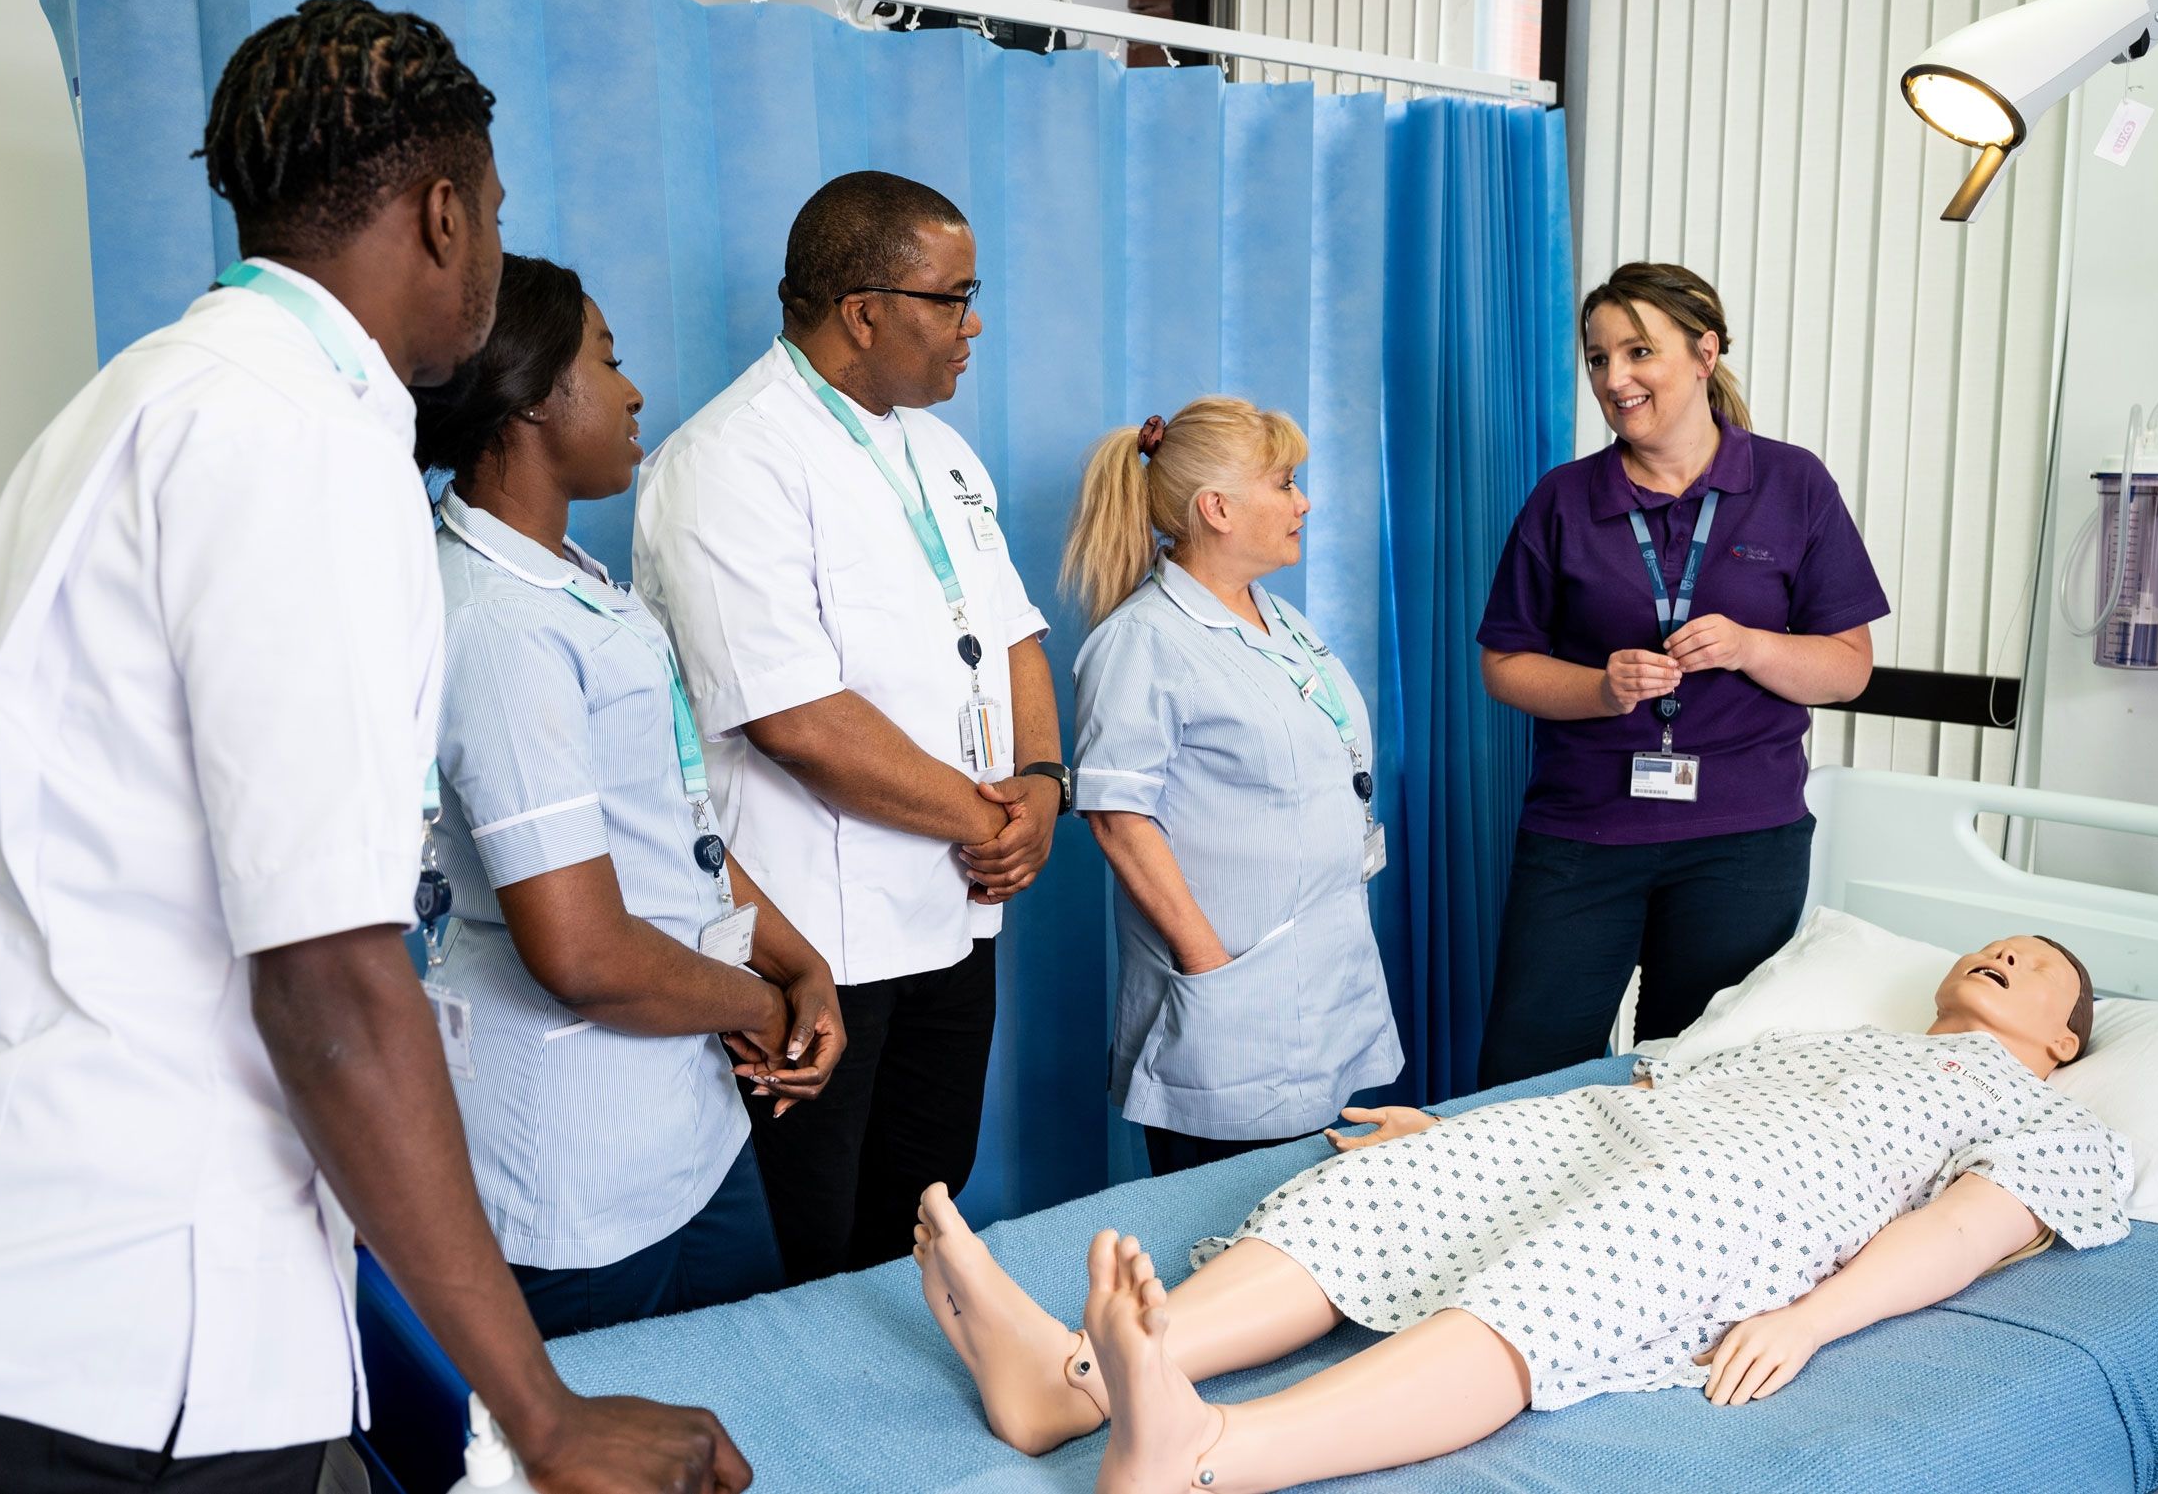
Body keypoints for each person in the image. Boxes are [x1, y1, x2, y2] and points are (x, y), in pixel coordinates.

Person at [0, 0, 747, 1494]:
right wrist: (540, 1407)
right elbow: (328, 982)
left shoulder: (139, 400)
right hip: (105, 1339)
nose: (496, 254)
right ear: (445, 216)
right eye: (496, 216)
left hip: (1, 1287)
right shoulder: (303, 450)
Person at [914, 934, 2126, 1493]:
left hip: (1743, 1193)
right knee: (1391, 1190)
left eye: (2034, 964)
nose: (2002, 954)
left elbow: (1962, 1233)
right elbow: (1637, 1087)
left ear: (2064, 1040)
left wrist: (1813, 1317)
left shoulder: (2049, 1116)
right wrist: (1458, 1138)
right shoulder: (1828, 1035)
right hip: (1609, 1129)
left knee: (1555, 1277)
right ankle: (1073, 1380)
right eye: (1990, 944)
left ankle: (1212, 1456)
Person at [634, 171, 1063, 1282]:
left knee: (923, 1201)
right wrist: (987, 813)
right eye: (952, 297)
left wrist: (1045, 783)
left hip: (954, 911)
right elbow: (796, 720)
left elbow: (1012, 637)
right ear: (864, 310)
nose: (974, 325)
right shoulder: (726, 460)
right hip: (812, 936)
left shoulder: (941, 451)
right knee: (809, 1240)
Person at [411, 255, 847, 1338]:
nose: (634, 390)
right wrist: (762, 1007)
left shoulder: (568, 583)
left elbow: (673, 830)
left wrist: (799, 962)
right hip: (578, 1173)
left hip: (687, 1137)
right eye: (606, 360)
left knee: (757, 1412)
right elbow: (580, 953)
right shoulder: (495, 624)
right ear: (524, 395)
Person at [1475, 262, 1889, 1088]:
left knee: (1696, 1084)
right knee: (1521, 1078)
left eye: (1637, 352)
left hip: (1740, 844)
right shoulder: (1562, 500)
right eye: (1597, 359)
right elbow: (1503, 665)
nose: (1614, 378)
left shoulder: (1791, 482)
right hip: (1581, 837)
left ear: (1704, 354)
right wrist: (1600, 688)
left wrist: (1748, 645)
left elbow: (1847, 668)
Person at [1060, 399, 1401, 1176]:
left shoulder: (1279, 618)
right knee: (1225, 1239)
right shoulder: (1141, 642)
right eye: (1283, 482)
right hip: (1232, 1001)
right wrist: (1211, 966)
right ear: (1216, 508)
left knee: (1320, 1227)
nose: (1302, 501)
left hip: (1323, 981)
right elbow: (1116, 818)